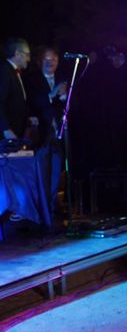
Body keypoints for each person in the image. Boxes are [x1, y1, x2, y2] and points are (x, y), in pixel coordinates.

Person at [24, 46, 67, 216]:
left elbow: (67, 106)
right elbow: (32, 103)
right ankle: (42, 211)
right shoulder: (32, 80)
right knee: (42, 173)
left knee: (56, 173)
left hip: (58, 133)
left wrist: (64, 98)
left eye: (54, 59)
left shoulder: (61, 79)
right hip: (41, 133)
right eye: (47, 60)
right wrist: (52, 94)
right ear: (40, 61)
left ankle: (52, 207)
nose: (51, 63)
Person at [0, 38, 32, 141]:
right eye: (27, 54)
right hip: (7, 134)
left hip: (15, 131)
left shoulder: (14, 72)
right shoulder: (4, 71)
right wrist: (6, 129)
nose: (29, 59)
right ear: (17, 53)